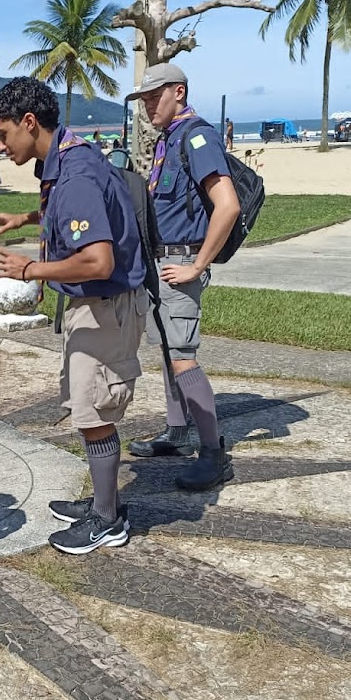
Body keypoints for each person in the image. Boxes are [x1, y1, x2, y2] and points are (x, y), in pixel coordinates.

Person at [0, 76, 147, 555]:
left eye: (4, 134)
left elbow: (98, 261)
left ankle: (107, 521)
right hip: (100, 306)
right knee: (89, 408)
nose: (1, 146)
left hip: (105, 306)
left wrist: (30, 269)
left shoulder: (74, 177)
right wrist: (26, 219)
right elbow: (77, 216)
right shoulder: (71, 158)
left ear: (29, 123)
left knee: (94, 412)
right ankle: (103, 503)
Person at [124, 63, 240, 490]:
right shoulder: (168, 139)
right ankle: (177, 432)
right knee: (169, 351)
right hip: (160, 264)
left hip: (180, 263)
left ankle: (213, 454)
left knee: (183, 356)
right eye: (144, 99)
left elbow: (228, 205)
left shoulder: (196, 137)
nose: (148, 105)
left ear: (179, 92)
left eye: (155, 96)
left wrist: (197, 266)